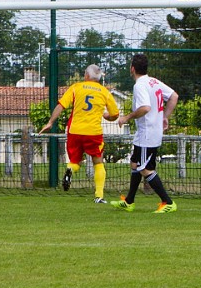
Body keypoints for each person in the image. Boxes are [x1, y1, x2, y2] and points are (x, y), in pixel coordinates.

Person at [39, 64, 120, 203]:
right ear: (99, 78)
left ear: (86, 76)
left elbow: (61, 105)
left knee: (75, 161)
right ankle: (99, 196)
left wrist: (50, 122)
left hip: (74, 131)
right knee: (98, 162)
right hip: (93, 132)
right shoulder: (104, 92)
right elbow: (115, 115)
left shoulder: (76, 87)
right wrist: (107, 116)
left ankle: (70, 170)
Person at [112, 53, 179, 213]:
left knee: (144, 168)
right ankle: (129, 201)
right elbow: (174, 96)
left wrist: (127, 117)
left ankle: (168, 202)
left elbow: (145, 108)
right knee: (135, 163)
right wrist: (164, 118)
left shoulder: (140, 85)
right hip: (150, 131)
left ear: (132, 68)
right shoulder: (153, 82)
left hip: (147, 133)